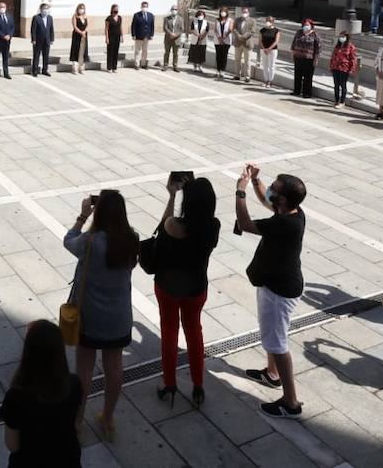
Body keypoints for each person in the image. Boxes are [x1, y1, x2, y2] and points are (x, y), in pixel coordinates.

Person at [64, 189, 137, 439]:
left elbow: (68, 240)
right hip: (118, 318)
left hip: (90, 318)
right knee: (114, 368)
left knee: (83, 369)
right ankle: (108, 417)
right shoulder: (131, 239)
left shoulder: (91, 241)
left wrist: (83, 216)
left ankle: (76, 421)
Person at [236, 164, 307, 419]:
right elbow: (268, 201)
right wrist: (256, 181)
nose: (271, 193)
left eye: (275, 190)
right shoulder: (293, 212)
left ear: (284, 199)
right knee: (273, 336)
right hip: (275, 284)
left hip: (279, 291)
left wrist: (240, 191)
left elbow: (244, 223)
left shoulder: (284, 225)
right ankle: (272, 374)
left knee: (278, 343)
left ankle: (291, 402)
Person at [153, 175, 220, 405]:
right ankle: (198, 385)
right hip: (196, 288)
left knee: (170, 333)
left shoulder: (174, 226)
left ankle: (169, 383)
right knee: (194, 332)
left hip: (168, 287)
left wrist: (172, 195)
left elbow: (163, 226)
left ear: (187, 202)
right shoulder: (213, 227)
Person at [1, 320, 82, 468]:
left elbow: (12, 445)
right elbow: (75, 423)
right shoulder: (74, 384)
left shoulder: (15, 397)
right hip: (67, 459)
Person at [289, 19, 319, 97]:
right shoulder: (299, 32)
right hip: (298, 57)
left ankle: (307, 93)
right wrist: (292, 55)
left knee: (308, 76)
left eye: (308, 25)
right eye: (305, 25)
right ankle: (297, 91)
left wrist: (315, 59)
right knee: (297, 75)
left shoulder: (315, 35)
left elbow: (317, 49)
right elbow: (293, 44)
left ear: (311, 26)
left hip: (309, 58)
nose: (306, 26)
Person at [327, 32, 358, 107]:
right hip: (335, 67)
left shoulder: (351, 47)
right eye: (340, 36)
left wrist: (352, 69)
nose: (341, 38)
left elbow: (353, 59)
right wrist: (331, 66)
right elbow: (333, 56)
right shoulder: (337, 46)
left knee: (342, 85)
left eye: (343, 36)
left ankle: (342, 101)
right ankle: (336, 100)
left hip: (344, 68)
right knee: (336, 85)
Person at [29, 3, 54, 77]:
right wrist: (33, 39)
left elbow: (51, 29)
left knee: (46, 56)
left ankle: (45, 70)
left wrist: (52, 39)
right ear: (41, 9)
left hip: (47, 40)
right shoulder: (36, 18)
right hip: (38, 40)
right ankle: (35, 70)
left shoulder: (50, 18)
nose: (45, 10)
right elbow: (33, 29)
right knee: (36, 56)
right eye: (44, 9)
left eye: (47, 9)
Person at [232, 7, 256, 82]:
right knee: (237, 60)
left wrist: (243, 36)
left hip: (247, 43)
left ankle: (247, 76)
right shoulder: (237, 19)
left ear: (248, 13)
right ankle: (237, 75)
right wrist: (238, 35)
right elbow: (234, 28)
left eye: (245, 12)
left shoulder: (252, 21)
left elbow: (252, 31)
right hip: (238, 42)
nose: (244, 13)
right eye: (243, 12)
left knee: (247, 61)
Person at [131, 1, 154, 69]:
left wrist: (152, 34)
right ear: (141, 7)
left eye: (146, 6)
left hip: (147, 36)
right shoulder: (137, 15)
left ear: (147, 7)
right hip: (138, 36)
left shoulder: (150, 15)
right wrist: (133, 35)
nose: (144, 7)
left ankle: (143, 64)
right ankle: (137, 64)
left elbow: (152, 25)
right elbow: (133, 26)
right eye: (143, 6)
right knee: (137, 51)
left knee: (145, 51)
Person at [256, 16, 279, 88]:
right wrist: (264, 48)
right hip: (263, 50)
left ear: (273, 22)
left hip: (272, 50)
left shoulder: (276, 30)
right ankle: (266, 80)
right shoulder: (262, 30)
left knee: (271, 66)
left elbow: (276, 41)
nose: (268, 22)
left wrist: (269, 49)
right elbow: (260, 41)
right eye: (267, 20)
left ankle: (270, 81)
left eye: (270, 21)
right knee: (265, 66)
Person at [161, 4, 184, 71]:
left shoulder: (181, 19)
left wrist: (176, 35)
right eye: (173, 9)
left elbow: (182, 29)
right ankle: (165, 65)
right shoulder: (167, 18)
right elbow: (165, 28)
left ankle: (175, 65)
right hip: (168, 38)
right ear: (171, 10)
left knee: (175, 53)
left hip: (176, 39)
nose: (174, 11)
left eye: (176, 9)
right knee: (167, 52)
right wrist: (170, 34)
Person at [212, 7, 232, 80]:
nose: (223, 13)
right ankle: (218, 70)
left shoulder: (230, 20)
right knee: (218, 55)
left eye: (224, 11)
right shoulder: (217, 20)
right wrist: (219, 38)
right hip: (218, 40)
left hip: (226, 41)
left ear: (227, 12)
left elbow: (230, 29)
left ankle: (222, 70)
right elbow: (215, 29)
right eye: (221, 11)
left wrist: (224, 37)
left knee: (224, 56)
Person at [69, 4, 89, 75]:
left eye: (83, 8)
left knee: (83, 51)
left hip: (84, 35)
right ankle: (75, 69)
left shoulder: (85, 16)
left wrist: (84, 32)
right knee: (76, 50)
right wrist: (80, 32)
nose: (81, 10)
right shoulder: (75, 16)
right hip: (77, 35)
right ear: (77, 9)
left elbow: (87, 26)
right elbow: (75, 27)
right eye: (80, 8)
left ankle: (81, 68)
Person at [187, 9, 209, 73]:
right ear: (197, 15)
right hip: (195, 39)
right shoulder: (194, 21)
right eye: (199, 15)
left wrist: (202, 36)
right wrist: (197, 35)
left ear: (204, 15)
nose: (200, 16)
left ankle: (200, 66)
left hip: (202, 40)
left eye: (202, 15)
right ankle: (194, 67)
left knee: (201, 53)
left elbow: (207, 30)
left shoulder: (206, 22)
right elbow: (191, 29)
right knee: (194, 53)